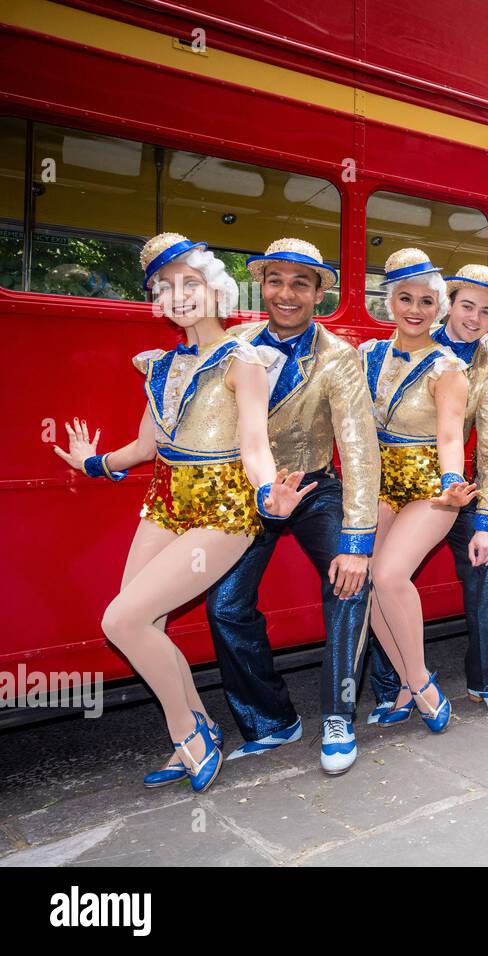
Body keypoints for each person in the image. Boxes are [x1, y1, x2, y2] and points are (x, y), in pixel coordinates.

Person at [53, 233, 314, 792]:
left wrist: (270, 495)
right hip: (167, 502)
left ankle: (189, 730)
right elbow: (149, 445)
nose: (178, 296)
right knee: (141, 621)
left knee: (119, 620)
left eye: (190, 283)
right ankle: (193, 733)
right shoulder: (161, 365)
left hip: (224, 510)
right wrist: (94, 462)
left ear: (216, 289)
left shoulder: (245, 362)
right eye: (165, 288)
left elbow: (253, 445)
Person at [205, 238, 380, 774]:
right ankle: (270, 721)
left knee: (350, 583)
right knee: (225, 606)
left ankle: (338, 714)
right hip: (252, 492)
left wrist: (356, 544)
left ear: (320, 293)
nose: (286, 293)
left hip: (313, 488)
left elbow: (358, 448)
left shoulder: (340, 356)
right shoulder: (232, 343)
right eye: (276, 280)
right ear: (262, 284)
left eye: (301, 283)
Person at [358, 250, 478, 736]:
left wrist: (452, 483)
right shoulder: (365, 356)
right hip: (380, 483)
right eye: (405, 298)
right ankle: (410, 684)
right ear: (389, 302)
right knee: (369, 585)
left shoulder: (448, 367)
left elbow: (452, 436)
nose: (415, 309)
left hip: (431, 486)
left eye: (427, 301)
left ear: (440, 308)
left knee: (388, 576)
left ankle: (421, 682)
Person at [428, 264, 488, 714]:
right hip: (395, 487)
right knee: (382, 576)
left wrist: (486, 524)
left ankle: (487, 680)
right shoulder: (407, 347)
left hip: (457, 486)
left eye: (486, 311)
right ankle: (393, 688)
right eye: (467, 306)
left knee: (487, 565)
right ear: (449, 303)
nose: (475, 318)